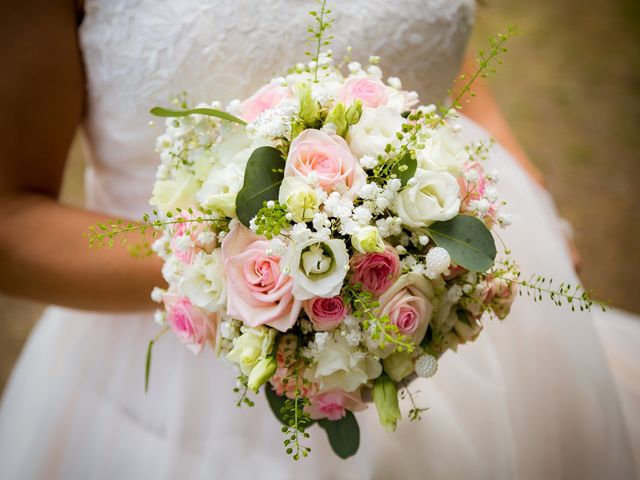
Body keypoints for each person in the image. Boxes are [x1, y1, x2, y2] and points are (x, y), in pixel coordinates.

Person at [0, 1, 637, 478]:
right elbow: (11, 221)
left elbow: (435, 36)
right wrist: (262, 271)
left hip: (463, 320)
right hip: (175, 387)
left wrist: (512, 158)